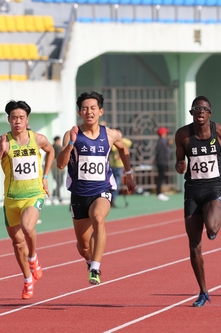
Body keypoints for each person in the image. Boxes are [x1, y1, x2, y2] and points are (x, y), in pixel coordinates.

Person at [56, 91, 136, 285]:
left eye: (93, 108)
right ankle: (89, 260)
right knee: (83, 247)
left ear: (100, 111)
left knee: (99, 219)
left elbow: (123, 149)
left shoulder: (110, 134)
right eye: (84, 108)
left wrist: (128, 174)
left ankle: (95, 268)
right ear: (79, 112)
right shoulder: (71, 134)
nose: (89, 112)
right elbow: (60, 164)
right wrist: (71, 145)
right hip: (79, 194)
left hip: (102, 189)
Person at [174, 95, 221, 307]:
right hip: (192, 190)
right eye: (197, 109)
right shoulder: (183, 135)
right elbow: (179, 160)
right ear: (191, 113)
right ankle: (203, 291)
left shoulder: (218, 131)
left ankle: (218, 208)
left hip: (213, 187)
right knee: (194, 246)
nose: (200, 112)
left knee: (212, 227)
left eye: (204, 109)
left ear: (209, 113)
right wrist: (179, 165)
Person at [0, 100, 54, 299]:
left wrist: (46, 176)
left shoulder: (38, 139)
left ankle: (33, 257)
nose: (17, 121)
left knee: (27, 226)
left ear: (27, 120)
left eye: (21, 118)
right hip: (11, 199)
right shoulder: (1, 141)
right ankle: (27, 279)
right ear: (8, 119)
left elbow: (50, 151)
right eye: (14, 118)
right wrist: (0, 153)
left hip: (33, 195)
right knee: (17, 243)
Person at [109, 128, 133, 207]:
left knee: (117, 183)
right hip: (112, 165)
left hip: (119, 166)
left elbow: (128, 143)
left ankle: (113, 199)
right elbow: (113, 147)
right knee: (110, 183)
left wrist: (119, 139)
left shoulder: (123, 141)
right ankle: (109, 198)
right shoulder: (112, 142)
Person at [155, 126, 172, 201]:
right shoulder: (160, 142)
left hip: (163, 162)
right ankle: (159, 193)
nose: (166, 134)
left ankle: (160, 192)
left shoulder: (163, 141)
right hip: (161, 162)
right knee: (160, 178)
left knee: (162, 177)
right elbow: (159, 152)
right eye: (165, 133)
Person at [51, 136, 65, 203]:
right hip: (57, 169)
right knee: (59, 183)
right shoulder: (56, 147)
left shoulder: (52, 147)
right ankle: (57, 197)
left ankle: (55, 196)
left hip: (55, 169)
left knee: (59, 183)